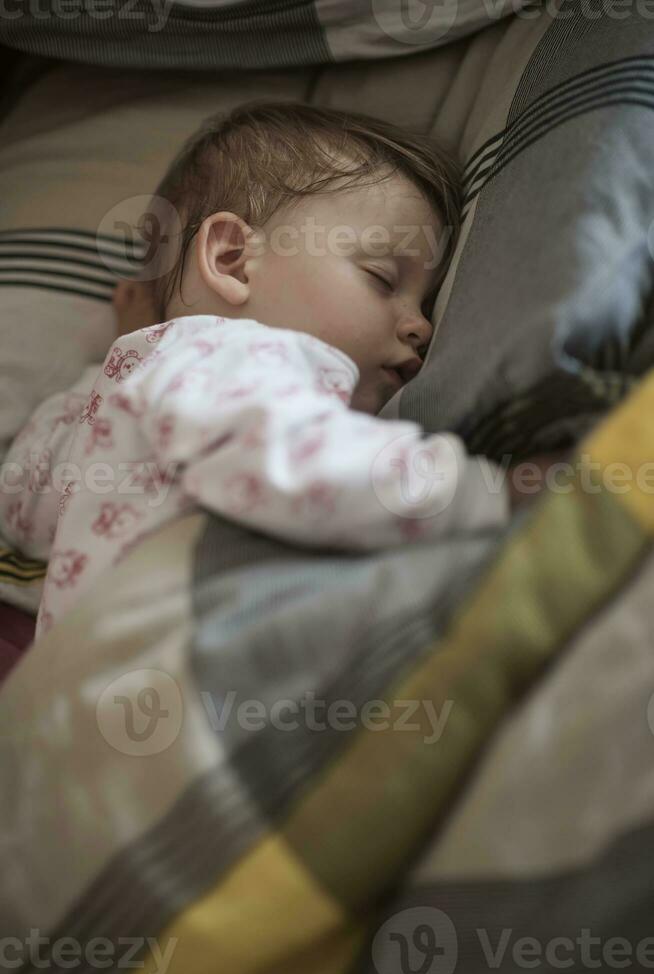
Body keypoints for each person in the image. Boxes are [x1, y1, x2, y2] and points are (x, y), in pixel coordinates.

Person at [0, 101, 511, 637]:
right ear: (232, 260)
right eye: (382, 279)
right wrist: (486, 493)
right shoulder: (235, 352)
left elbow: (23, 503)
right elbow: (301, 463)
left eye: (425, 305)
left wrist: (116, 363)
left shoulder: (145, 386)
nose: (421, 328)